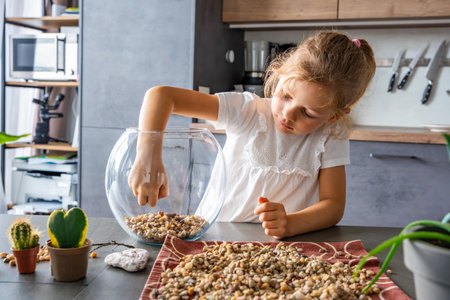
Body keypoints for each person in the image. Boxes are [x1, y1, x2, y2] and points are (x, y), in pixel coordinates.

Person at [128, 31, 376, 239]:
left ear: (334, 116)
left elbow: (333, 206)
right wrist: (148, 154)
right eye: (286, 96)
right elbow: (160, 96)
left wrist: (290, 223)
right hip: (212, 238)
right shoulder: (247, 111)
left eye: (308, 113)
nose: (288, 114)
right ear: (278, 74)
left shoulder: (331, 134)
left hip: (281, 251)